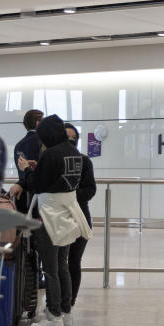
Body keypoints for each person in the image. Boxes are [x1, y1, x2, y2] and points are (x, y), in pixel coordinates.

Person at [18, 114, 92, 326]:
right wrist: (37, 168)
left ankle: (54, 316)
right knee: (62, 266)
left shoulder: (50, 154)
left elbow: (37, 185)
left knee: (50, 268)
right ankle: (66, 313)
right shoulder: (74, 153)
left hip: (49, 216)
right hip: (68, 214)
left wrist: (26, 170)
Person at [64, 123, 96, 306]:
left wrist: (67, 197)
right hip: (57, 219)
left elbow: (90, 190)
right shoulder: (52, 160)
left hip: (79, 218)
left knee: (73, 261)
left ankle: (69, 303)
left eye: (73, 139)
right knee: (57, 264)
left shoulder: (84, 161)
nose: (70, 142)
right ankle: (58, 302)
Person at [9, 109, 43, 214]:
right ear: (38, 123)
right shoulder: (42, 142)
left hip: (21, 193)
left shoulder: (18, 145)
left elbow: (21, 170)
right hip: (38, 194)